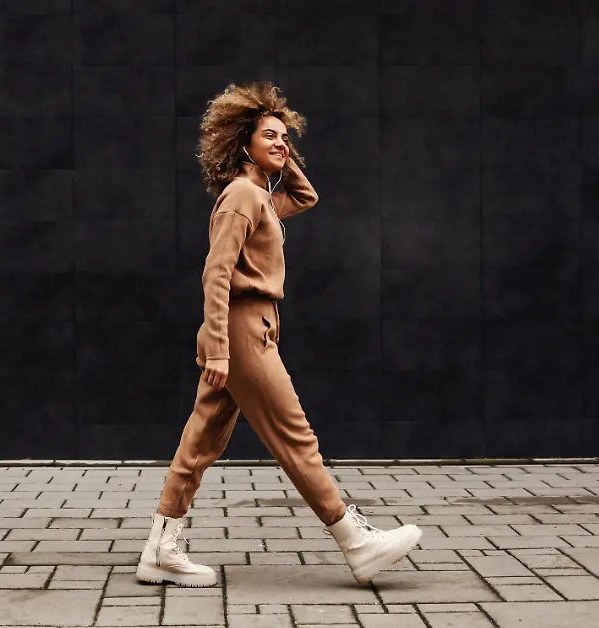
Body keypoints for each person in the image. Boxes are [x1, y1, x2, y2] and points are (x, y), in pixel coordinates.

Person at [135, 82, 423, 588]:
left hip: (253, 328)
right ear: (242, 143)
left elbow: (306, 196)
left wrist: (279, 155)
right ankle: (356, 542)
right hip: (242, 334)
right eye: (269, 136)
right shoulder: (243, 197)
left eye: (286, 136)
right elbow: (216, 274)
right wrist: (220, 349)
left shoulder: (262, 198)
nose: (281, 142)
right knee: (296, 437)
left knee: (201, 441)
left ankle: (161, 548)